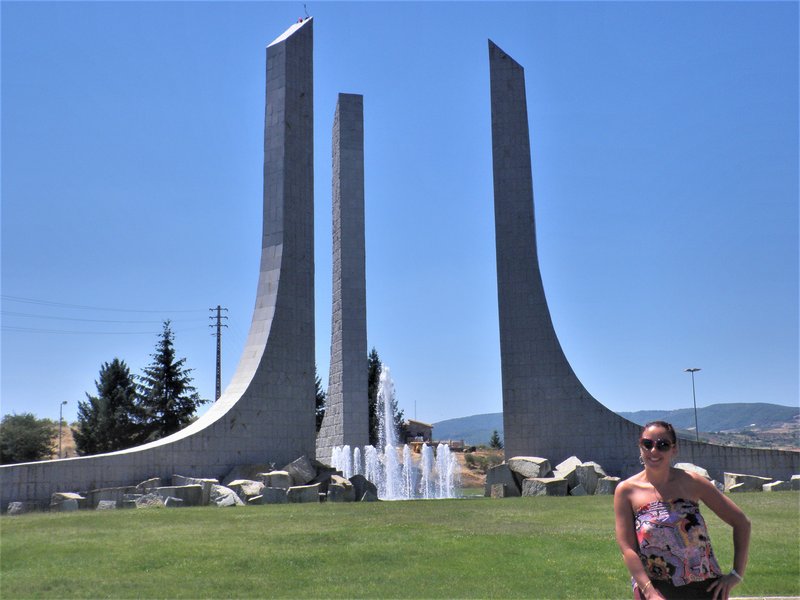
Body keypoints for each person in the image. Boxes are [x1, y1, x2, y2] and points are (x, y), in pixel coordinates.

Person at [614, 421, 751, 600]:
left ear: (674, 449)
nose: (654, 451)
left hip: (704, 587)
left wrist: (736, 574)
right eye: (647, 444)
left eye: (662, 445)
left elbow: (741, 522)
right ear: (640, 447)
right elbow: (627, 548)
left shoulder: (692, 482)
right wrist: (649, 592)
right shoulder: (626, 491)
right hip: (656, 589)